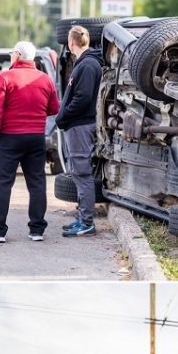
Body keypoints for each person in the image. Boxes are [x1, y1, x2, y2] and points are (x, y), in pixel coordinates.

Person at [0, 41, 59, 243]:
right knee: (37, 183)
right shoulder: (45, 80)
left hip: (9, 138)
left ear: (17, 55)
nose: (10, 56)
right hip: (36, 138)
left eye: (11, 53)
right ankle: (37, 230)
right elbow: (54, 108)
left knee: (3, 184)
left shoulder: (5, 78)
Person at [55, 25, 105, 237]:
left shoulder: (87, 65)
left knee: (82, 173)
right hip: (79, 125)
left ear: (71, 43)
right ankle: (81, 218)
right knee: (79, 173)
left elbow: (82, 99)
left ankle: (86, 223)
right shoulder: (87, 63)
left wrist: (62, 116)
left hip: (79, 126)